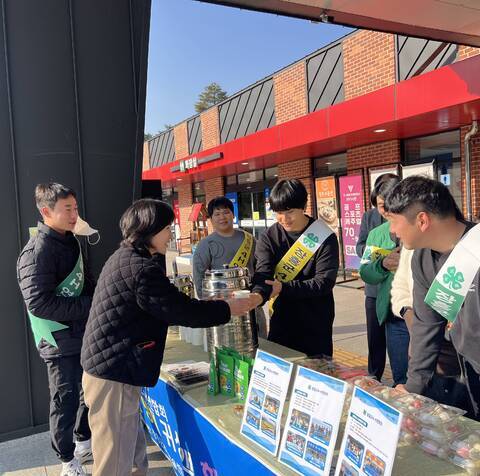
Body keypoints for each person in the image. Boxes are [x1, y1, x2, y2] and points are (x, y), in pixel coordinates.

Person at [80, 199, 257, 475]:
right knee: (114, 461)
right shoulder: (141, 269)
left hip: (112, 368)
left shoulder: (125, 257)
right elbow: (181, 311)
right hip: (113, 374)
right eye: (166, 228)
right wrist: (227, 308)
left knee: (129, 451)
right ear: (149, 230)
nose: (170, 235)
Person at [17, 183, 95, 476]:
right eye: (67, 209)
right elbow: (39, 303)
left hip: (84, 333)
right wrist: (89, 305)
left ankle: (83, 439)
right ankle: (67, 460)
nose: (74, 214)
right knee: (64, 399)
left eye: (75, 208)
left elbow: (86, 281)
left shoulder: (71, 240)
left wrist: (97, 299)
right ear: (46, 211)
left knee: (90, 391)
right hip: (58, 340)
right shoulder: (36, 252)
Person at [385, 176, 478, 416]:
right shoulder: (423, 259)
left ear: (422, 220)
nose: (392, 231)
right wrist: (413, 387)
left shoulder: (475, 248)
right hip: (466, 372)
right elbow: (427, 325)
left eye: (394, 221)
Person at [251, 179, 339, 357]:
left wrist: (284, 287)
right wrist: (257, 296)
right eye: (278, 213)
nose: (284, 219)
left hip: (316, 319)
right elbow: (263, 273)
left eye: (289, 212)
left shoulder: (324, 237)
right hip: (282, 317)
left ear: (304, 206)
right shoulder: (269, 237)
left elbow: (324, 282)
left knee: (317, 374)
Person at [193, 196, 268, 338]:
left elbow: (260, 268)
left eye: (226, 212)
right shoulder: (205, 245)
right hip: (223, 307)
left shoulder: (249, 239)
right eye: (217, 214)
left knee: (258, 342)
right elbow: (199, 278)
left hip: (250, 303)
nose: (222, 217)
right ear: (211, 218)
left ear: (233, 215)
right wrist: (208, 308)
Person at [359, 176, 410, 386]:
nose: (387, 211)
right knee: (401, 378)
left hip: (422, 314)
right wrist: (382, 264)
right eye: (381, 206)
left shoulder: (419, 226)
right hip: (392, 314)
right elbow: (366, 271)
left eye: (390, 204)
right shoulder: (376, 234)